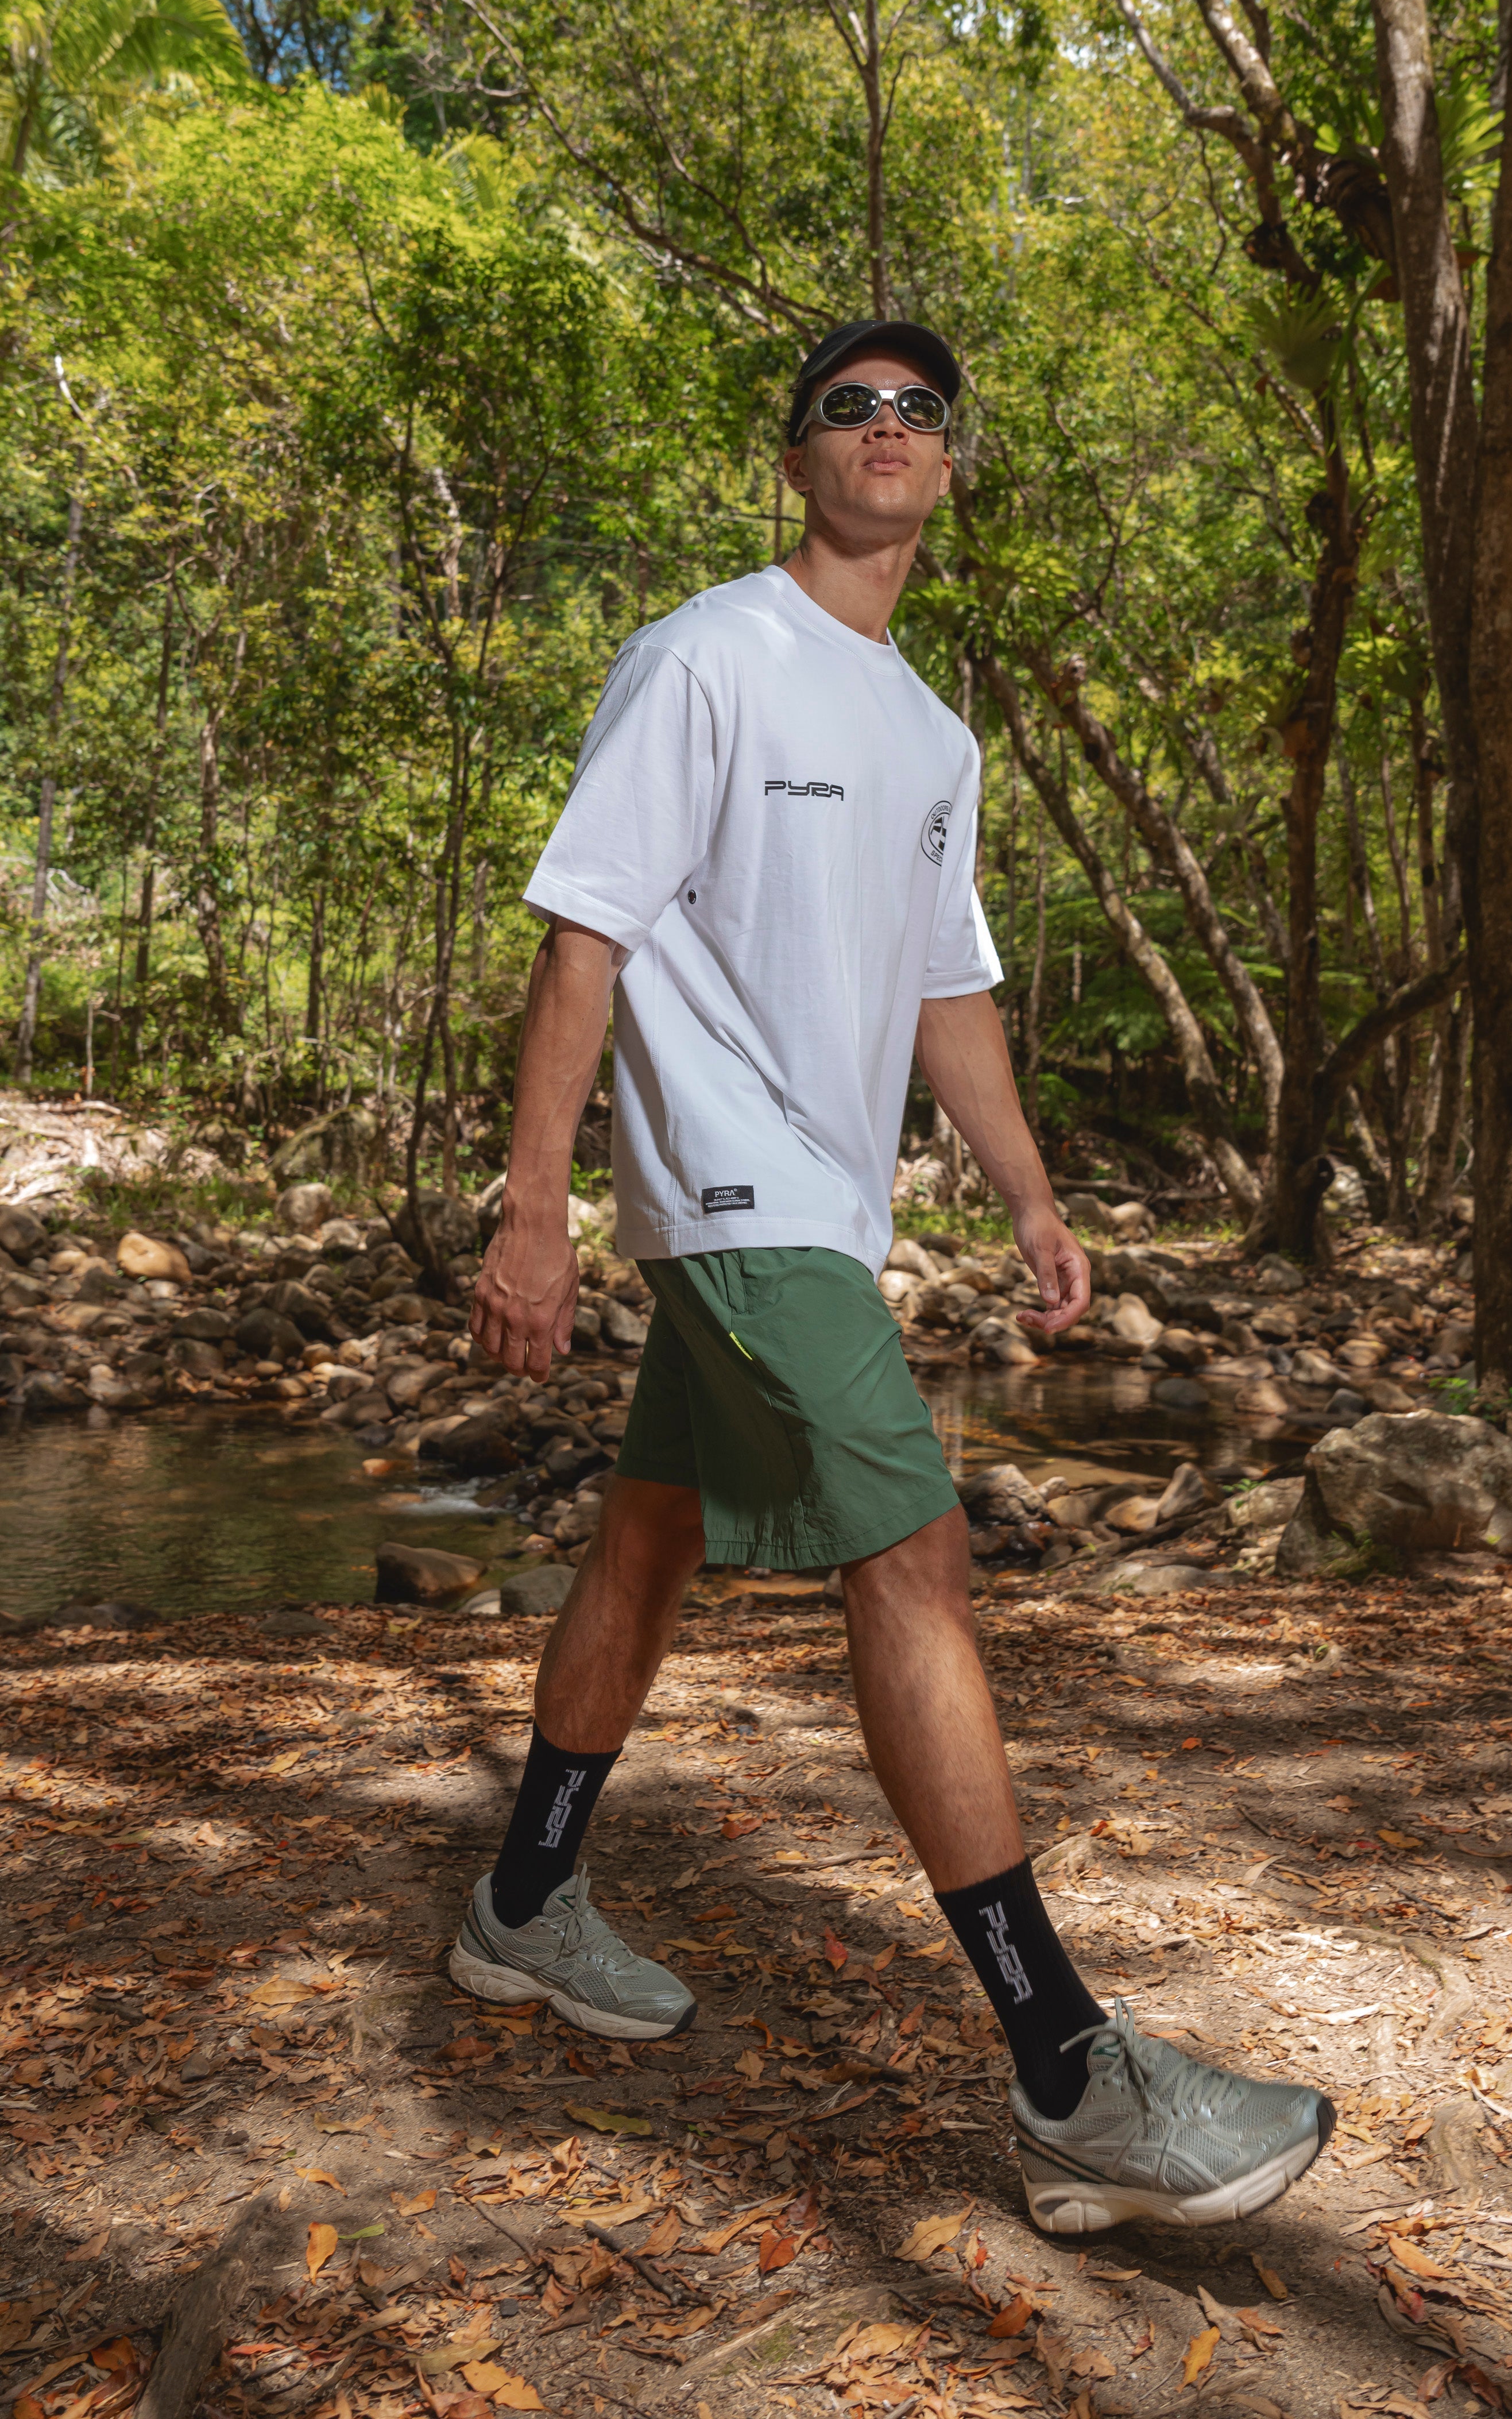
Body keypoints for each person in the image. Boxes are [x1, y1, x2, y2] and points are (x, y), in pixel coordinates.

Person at [450, 318, 1335, 2232]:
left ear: (949, 466)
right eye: (849, 407)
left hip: (836, 1204)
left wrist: (1025, 1198)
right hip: (734, 1190)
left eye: (918, 410)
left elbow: (952, 992)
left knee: (648, 1540)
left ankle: (522, 1904)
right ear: (802, 460)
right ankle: (1065, 2074)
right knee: (914, 1554)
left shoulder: (934, 730)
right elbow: (583, 938)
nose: (885, 430)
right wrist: (534, 1200)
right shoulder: (702, 658)